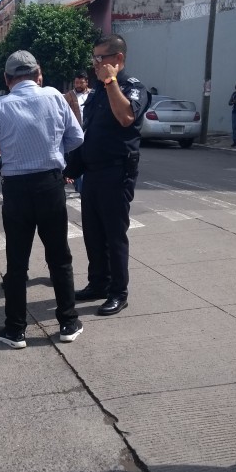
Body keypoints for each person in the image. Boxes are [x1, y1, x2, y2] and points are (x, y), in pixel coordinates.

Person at [0, 50, 85, 349]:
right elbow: (76, 138)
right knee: (60, 257)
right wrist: (53, 150)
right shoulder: (56, 97)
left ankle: (16, 329)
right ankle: (68, 322)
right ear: (39, 74)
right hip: (51, 186)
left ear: (7, 80)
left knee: (17, 261)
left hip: (17, 189)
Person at [70, 33, 151, 317]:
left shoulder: (132, 87)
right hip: (91, 173)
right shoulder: (96, 91)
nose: (95, 64)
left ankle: (119, 292)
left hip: (116, 172)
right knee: (93, 233)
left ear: (117, 59)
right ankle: (98, 284)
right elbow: (89, 132)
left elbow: (126, 117)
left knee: (114, 235)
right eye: (94, 58)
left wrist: (111, 81)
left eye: (100, 58)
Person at [64, 71, 91, 193]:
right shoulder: (69, 96)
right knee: (77, 159)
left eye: (81, 82)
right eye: (76, 82)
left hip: (90, 133)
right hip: (75, 133)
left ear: (86, 82)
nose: (78, 85)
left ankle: (80, 184)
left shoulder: (92, 94)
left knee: (87, 159)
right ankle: (79, 186)